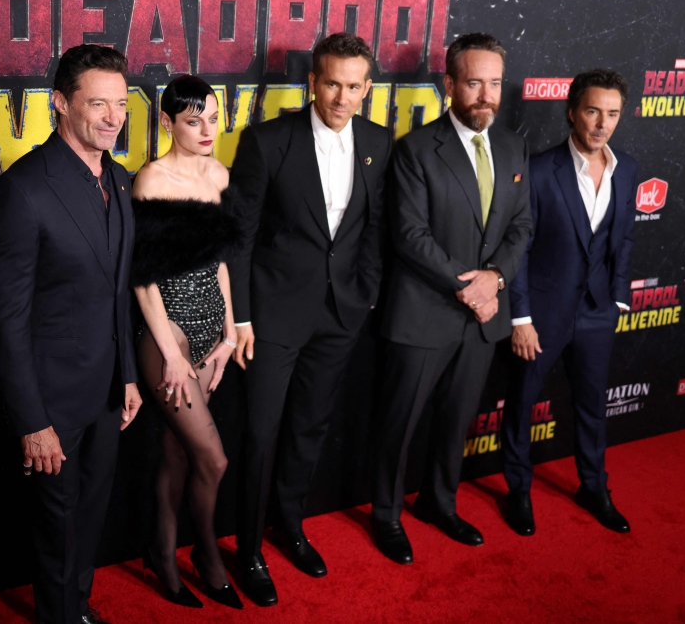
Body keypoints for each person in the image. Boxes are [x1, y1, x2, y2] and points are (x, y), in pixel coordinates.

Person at [228, 32, 391, 606]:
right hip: (272, 315)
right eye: (331, 84)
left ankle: (289, 527)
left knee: (310, 427)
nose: (342, 97)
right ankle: (247, 549)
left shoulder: (378, 140)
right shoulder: (268, 141)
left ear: (367, 88)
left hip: (341, 313)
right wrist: (241, 319)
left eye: (353, 87)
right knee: (260, 433)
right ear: (312, 83)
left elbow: (372, 228)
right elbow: (240, 239)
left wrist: (365, 294)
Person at [0, 44, 142, 624]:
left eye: (120, 104)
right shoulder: (24, 189)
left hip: (105, 390)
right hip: (50, 402)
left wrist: (127, 374)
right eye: (97, 104)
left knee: (91, 517)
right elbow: (6, 317)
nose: (112, 117)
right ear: (59, 103)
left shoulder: (119, 180)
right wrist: (31, 421)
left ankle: (76, 609)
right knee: (57, 529)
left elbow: (116, 289)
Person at [372, 32, 532, 563]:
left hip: (484, 319)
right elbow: (411, 236)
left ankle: (440, 502)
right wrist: (472, 287)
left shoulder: (513, 146)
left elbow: (521, 227)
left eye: (495, 83)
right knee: (399, 423)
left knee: (456, 420)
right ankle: (387, 515)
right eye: (474, 83)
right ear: (450, 85)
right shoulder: (417, 149)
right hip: (425, 313)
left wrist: (497, 281)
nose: (486, 95)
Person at [501, 70, 636, 536]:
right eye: (593, 111)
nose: (602, 123)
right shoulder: (539, 169)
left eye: (613, 113)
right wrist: (520, 318)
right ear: (572, 112)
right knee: (521, 402)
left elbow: (624, 238)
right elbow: (518, 248)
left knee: (592, 406)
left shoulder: (628, 168)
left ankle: (594, 487)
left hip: (598, 312)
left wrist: (618, 298)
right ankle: (517, 489)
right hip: (540, 315)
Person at [131, 75, 243, 610]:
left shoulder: (221, 175)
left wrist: (227, 332)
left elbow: (219, 262)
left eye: (212, 118)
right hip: (166, 334)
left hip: (207, 331)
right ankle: (207, 555)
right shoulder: (153, 178)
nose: (205, 130)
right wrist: (173, 355)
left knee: (178, 456)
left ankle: (160, 549)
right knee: (213, 460)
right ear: (168, 123)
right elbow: (143, 280)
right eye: (192, 121)